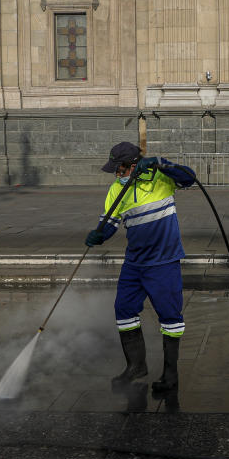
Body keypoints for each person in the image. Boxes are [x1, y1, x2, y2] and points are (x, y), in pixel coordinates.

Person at [86, 142, 195, 395]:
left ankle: (170, 374)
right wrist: (99, 235)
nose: (117, 174)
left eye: (120, 170)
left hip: (163, 261)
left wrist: (160, 162)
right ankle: (136, 366)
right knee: (123, 311)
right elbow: (110, 222)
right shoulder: (116, 190)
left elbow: (189, 178)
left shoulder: (161, 178)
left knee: (169, 317)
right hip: (134, 263)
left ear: (133, 165)